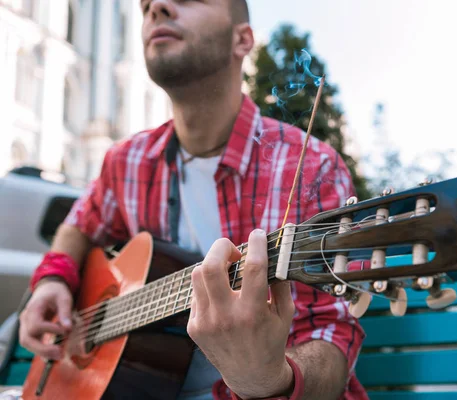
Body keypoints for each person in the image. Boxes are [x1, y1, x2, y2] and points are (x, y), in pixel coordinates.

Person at [18, 0, 368, 399]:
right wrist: (54, 277)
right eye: (147, 5)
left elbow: (332, 334)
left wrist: (268, 381)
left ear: (242, 39)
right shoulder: (126, 161)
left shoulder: (309, 166)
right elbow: (79, 226)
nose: (157, 8)